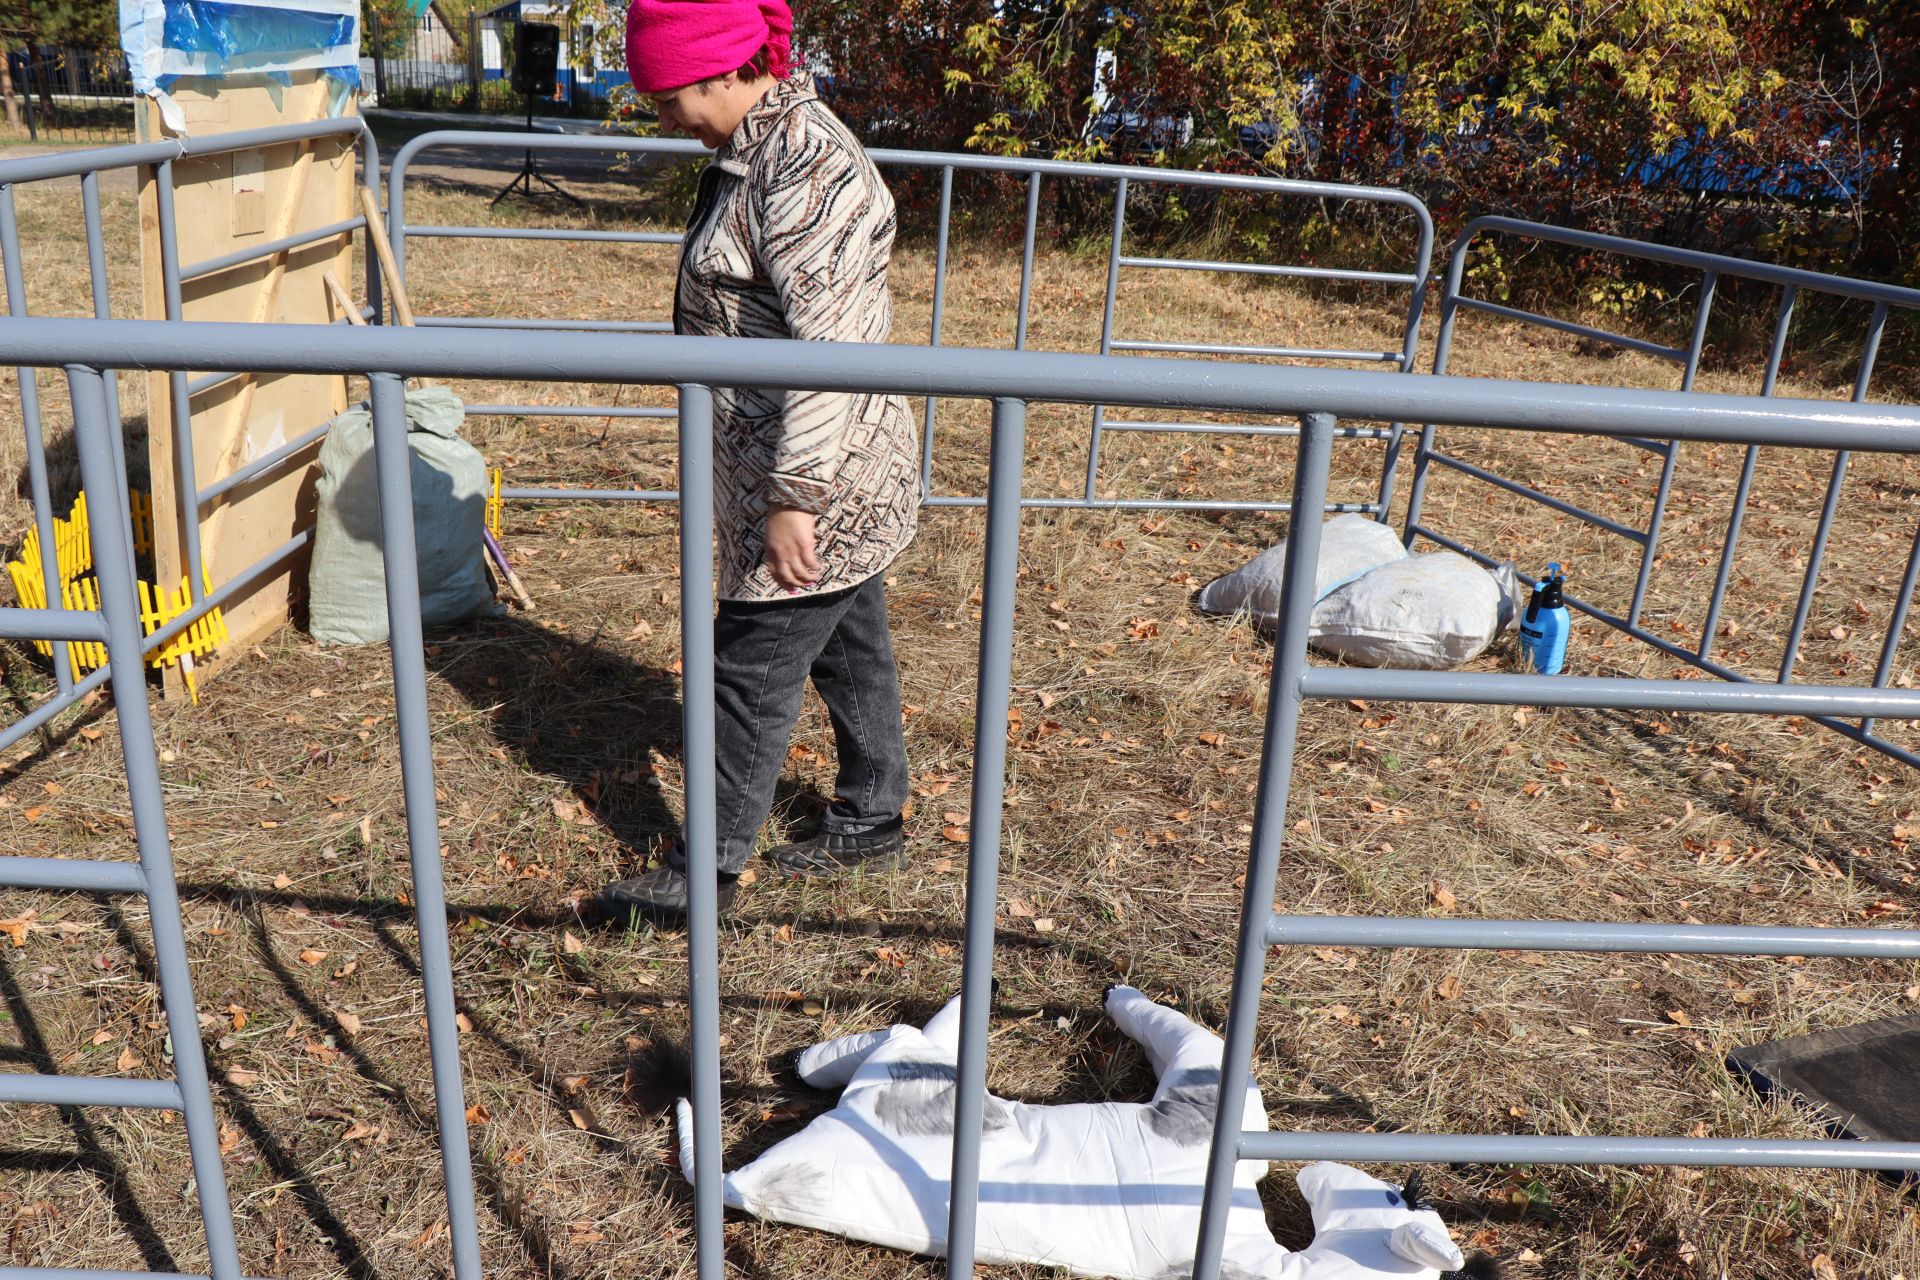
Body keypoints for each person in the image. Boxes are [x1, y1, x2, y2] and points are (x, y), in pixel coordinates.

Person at [601, 0, 922, 925]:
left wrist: (793, 501)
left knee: (749, 666)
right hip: (799, 468)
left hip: (822, 473)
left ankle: (707, 873)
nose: (663, 117)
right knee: (848, 637)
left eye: (668, 95)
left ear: (724, 72)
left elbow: (830, 352)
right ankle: (870, 817)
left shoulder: (811, 170)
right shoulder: (756, 147)